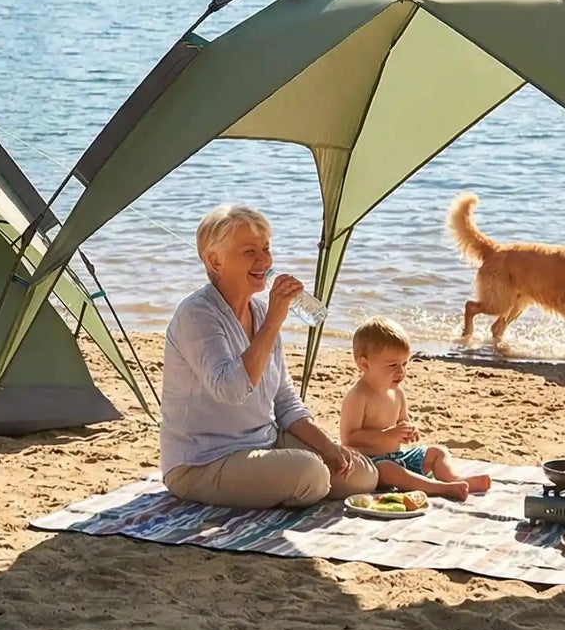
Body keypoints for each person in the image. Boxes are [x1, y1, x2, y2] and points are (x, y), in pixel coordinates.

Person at [161, 204, 377, 509]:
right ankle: (288, 482)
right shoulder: (196, 315)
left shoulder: (260, 311)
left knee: (362, 475)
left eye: (266, 248)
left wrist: (328, 447)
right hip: (204, 462)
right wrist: (276, 320)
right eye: (250, 251)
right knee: (311, 474)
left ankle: (287, 479)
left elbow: (284, 401)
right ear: (215, 261)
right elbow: (231, 389)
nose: (264, 260)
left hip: (263, 442)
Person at [339, 317, 492, 501]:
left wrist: (409, 430)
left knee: (437, 452)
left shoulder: (397, 393)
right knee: (389, 469)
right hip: (369, 464)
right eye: (393, 365)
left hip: (398, 456)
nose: (401, 372)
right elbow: (349, 437)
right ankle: (440, 488)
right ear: (365, 365)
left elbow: (402, 421)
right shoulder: (358, 396)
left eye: (404, 364)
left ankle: (455, 479)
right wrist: (387, 435)